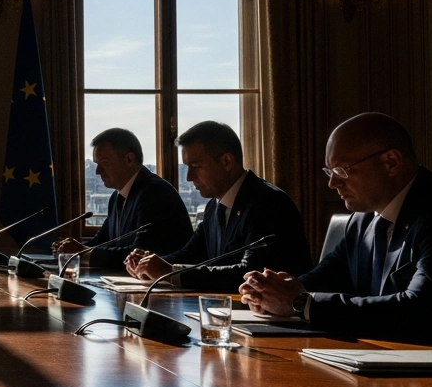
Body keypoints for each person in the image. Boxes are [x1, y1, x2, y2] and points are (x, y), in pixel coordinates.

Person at [240, 112, 432, 362]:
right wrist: (272, 291)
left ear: (391, 162)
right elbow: (323, 279)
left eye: (342, 170)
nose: (332, 183)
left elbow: (419, 311)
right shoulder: (362, 219)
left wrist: (301, 303)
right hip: (399, 362)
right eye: (330, 171)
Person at [124, 121, 311, 292]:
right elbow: (191, 254)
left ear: (226, 161)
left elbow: (250, 274)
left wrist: (171, 272)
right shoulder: (214, 206)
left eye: (196, 166)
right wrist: (148, 264)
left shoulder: (268, 203)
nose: (189, 177)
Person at [53, 128, 192, 268]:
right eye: (97, 164)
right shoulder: (117, 196)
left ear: (129, 159)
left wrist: (81, 254)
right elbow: (103, 241)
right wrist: (68, 250)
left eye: (105, 163)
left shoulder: (155, 192)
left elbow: (140, 254)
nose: (97, 171)